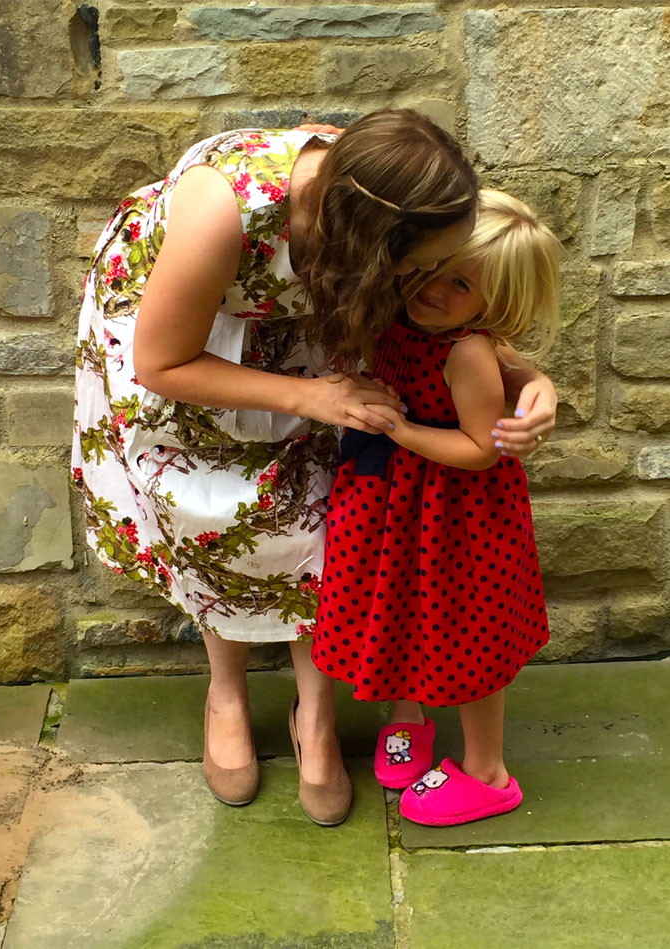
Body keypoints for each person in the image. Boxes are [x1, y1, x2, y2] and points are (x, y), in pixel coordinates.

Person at [71, 110, 556, 828]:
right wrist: (313, 395)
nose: (422, 284)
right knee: (208, 511)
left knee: (314, 519)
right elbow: (162, 360)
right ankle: (226, 695)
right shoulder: (221, 211)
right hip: (184, 343)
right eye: (417, 271)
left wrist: (527, 380)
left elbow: (454, 322)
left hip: (299, 335)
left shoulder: (374, 194)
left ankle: (317, 714)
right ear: (372, 246)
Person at [312, 189, 560, 826]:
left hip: (455, 512)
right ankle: (407, 716)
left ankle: (488, 772)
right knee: (392, 606)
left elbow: (482, 449)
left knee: (467, 628)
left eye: (461, 286)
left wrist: (400, 432)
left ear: (491, 306)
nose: (435, 291)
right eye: (436, 269)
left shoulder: (467, 352)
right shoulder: (398, 306)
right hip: (388, 501)